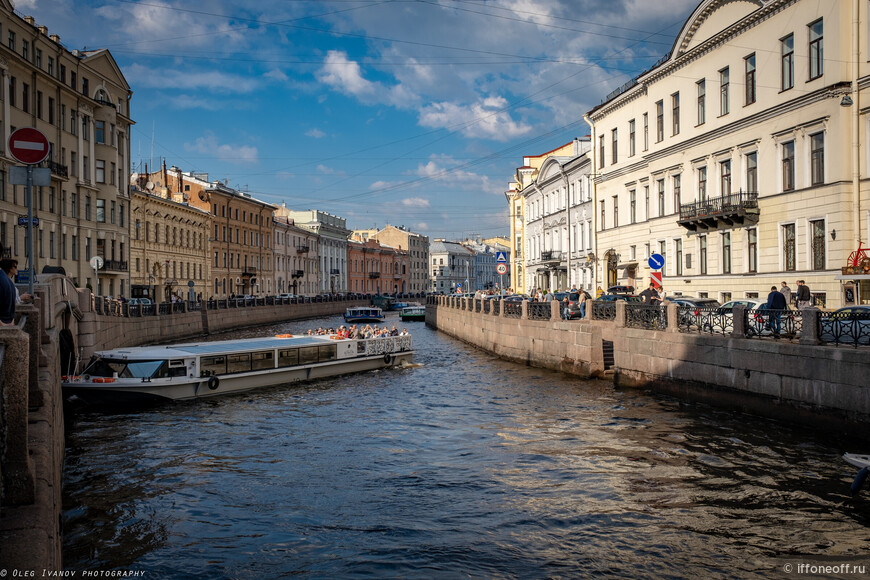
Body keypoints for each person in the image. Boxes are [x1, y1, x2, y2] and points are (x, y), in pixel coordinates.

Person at [0, 258, 17, 325]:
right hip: (7, 322)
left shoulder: (3, 280)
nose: (16, 269)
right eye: (15, 267)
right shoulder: (6, 281)